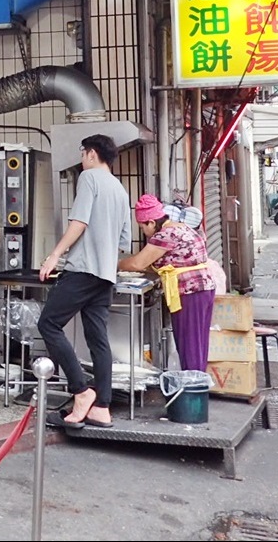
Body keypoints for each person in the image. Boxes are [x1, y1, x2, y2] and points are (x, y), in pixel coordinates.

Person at [36, 133, 130, 429]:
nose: (81, 159)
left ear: (91, 154)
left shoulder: (89, 178)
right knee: (97, 338)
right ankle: (102, 406)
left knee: (48, 324)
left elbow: (79, 222)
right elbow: (124, 241)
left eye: (82, 154)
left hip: (83, 269)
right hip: (105, 274)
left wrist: (54, 256)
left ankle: (80, 390)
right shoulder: (120, 189)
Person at [119, 194, 217, 373]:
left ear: (150, 222)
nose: (143, 231)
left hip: (189, 292)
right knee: (198, 344)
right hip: (204, 289)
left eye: (142, 226)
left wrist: (114, 264)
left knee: (189, 345)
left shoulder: (165, 234)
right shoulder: (181, 227)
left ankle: (191, 392)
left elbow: (137, 263)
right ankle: (197, 388)